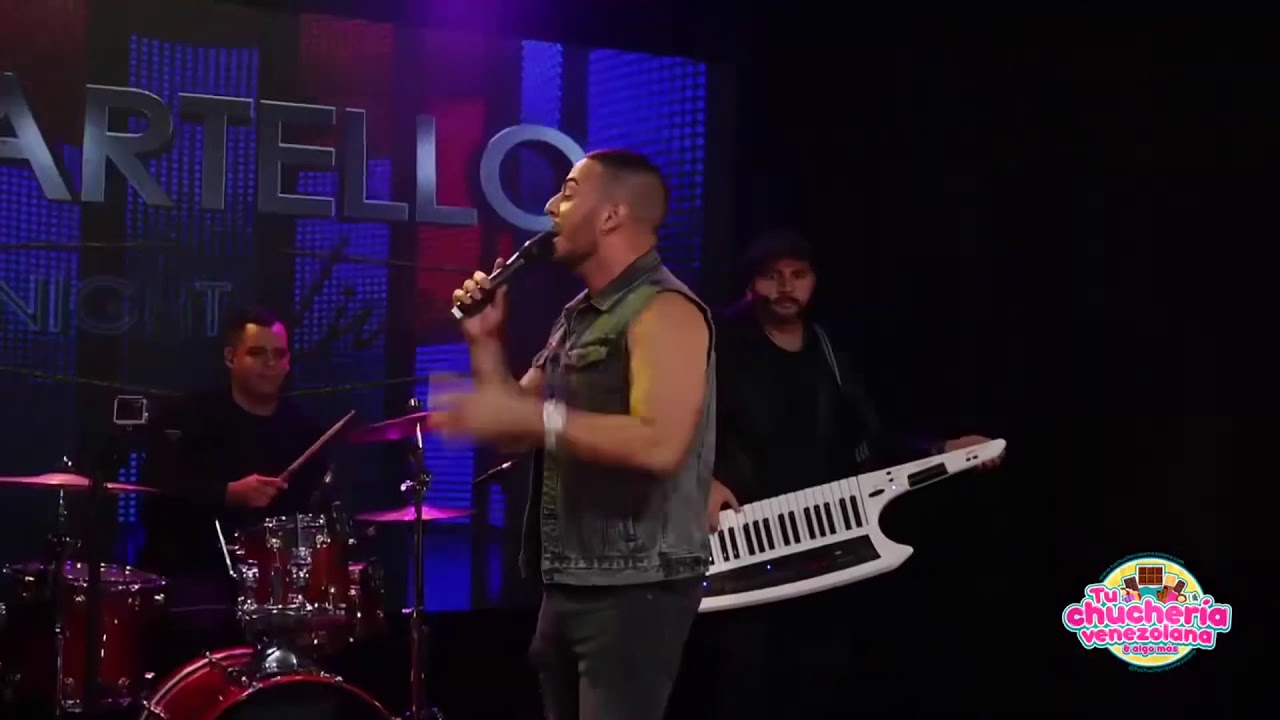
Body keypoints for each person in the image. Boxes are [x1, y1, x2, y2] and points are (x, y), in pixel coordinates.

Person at [431, 149, 715, 720]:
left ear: (611, 215)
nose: (549, 205)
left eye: (567, 190)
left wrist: (537, 419)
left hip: (635, 584)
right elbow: (513, 430)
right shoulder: (577, 316)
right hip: (570, 578)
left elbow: (660, 444)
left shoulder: (666, 309)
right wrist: (484, 341)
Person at [703, 228, 1003, 717]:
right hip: (744, 541)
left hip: (824, 538)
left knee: (817, 677)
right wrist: (703, 482)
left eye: (798, 275)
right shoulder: (717, 343)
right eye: (772, 275)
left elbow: (870, 439)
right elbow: (677, 427)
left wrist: (944, 449)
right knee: (745, 681)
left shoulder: (827, 349)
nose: (786, 286)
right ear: (750, 283)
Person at [140, 306, 333, 672]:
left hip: (281, 585)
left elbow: (319, 509)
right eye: (257, 353)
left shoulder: (304, 427)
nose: (270, 364)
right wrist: (229, 493)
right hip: (198, 569)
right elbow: (158, 494)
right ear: (231, 358)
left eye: (279, 354)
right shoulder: (189, 416)